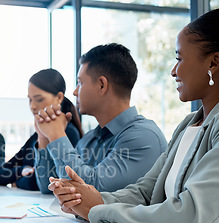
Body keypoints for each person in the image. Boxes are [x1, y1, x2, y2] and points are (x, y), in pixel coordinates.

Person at [49, 7, 219, 223]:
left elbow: (191, 217)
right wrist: (85, 200)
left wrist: (94, 209)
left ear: (214, 62)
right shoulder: (190, 123)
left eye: (179, 59)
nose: (173, 71)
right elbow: (146, 191)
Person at [35, 43, 167, 193]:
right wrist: (44, 138)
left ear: (102, 85)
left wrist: (56, 135)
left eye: (80, 83)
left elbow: (91, 191)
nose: (74, 92)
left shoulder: (144, 137)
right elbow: (49, 186)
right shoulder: (90, 138)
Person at [0, 69, 83, 190]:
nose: (33, 106)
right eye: (30, 99)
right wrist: (22, 170)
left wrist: (17, 181)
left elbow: (45, 183)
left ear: (59, 97)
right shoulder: (35, 137)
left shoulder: (67, 133)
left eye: (39, 99)